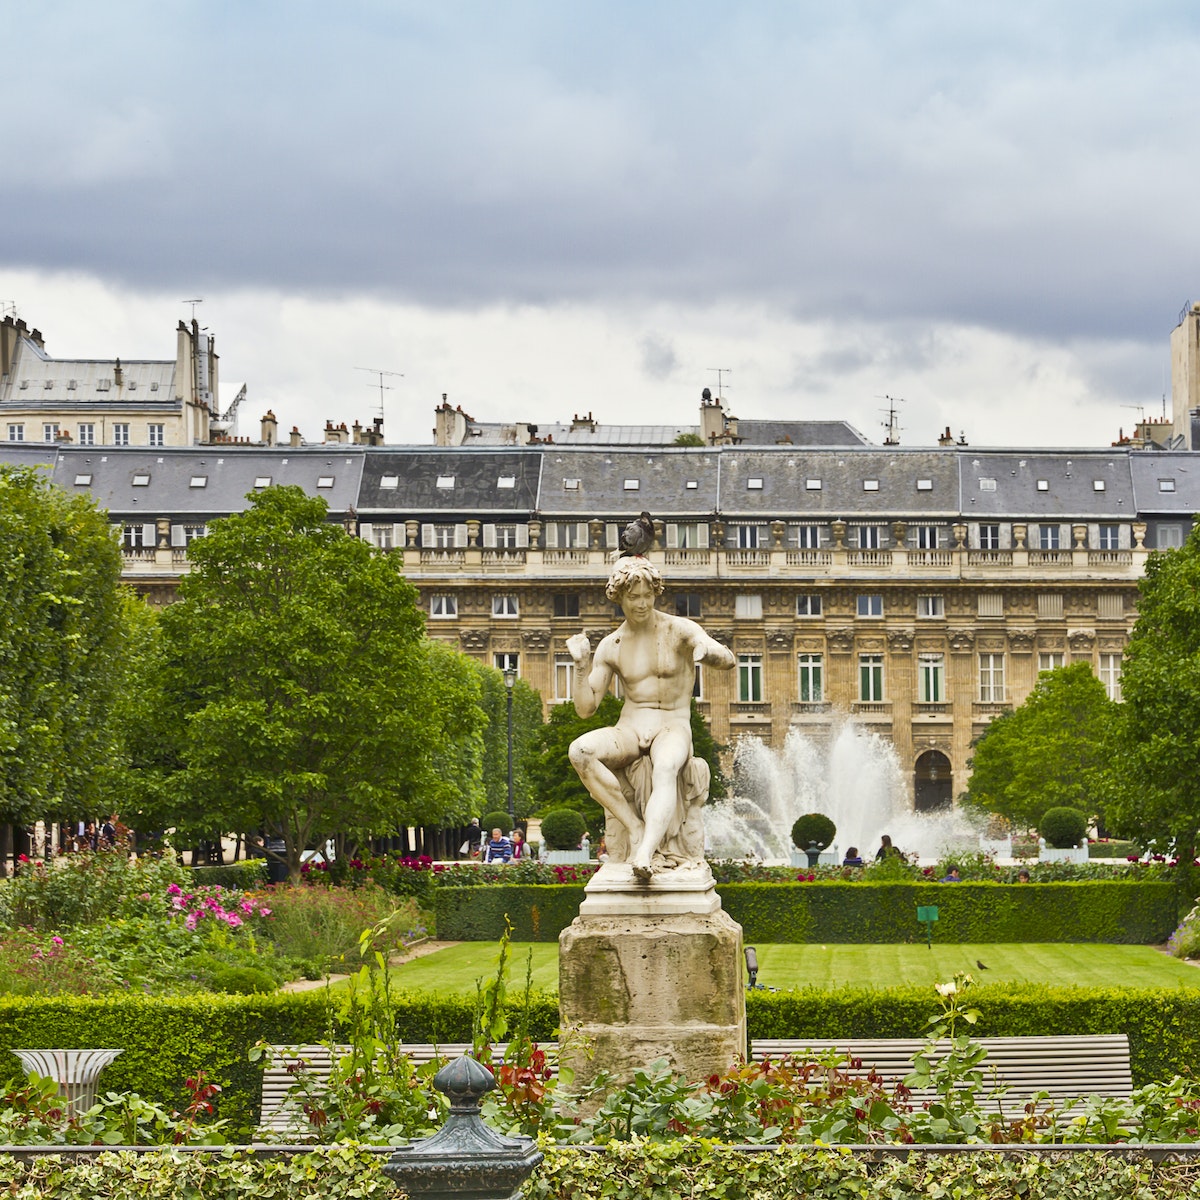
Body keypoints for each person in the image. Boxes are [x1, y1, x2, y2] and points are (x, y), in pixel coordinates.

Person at [567, 556, 735, 881]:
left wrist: (706, 650)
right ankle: (634, 827)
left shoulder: (679, 630)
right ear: (619, 598)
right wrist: (579, 666)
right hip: (629, 727)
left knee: (667, 766)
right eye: (634, 597)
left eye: (647, 595)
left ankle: (645, 850)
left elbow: (727, 659)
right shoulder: (611, 646)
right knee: (580, 752)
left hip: (672, 725)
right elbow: (586, 709)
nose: (642, 603)